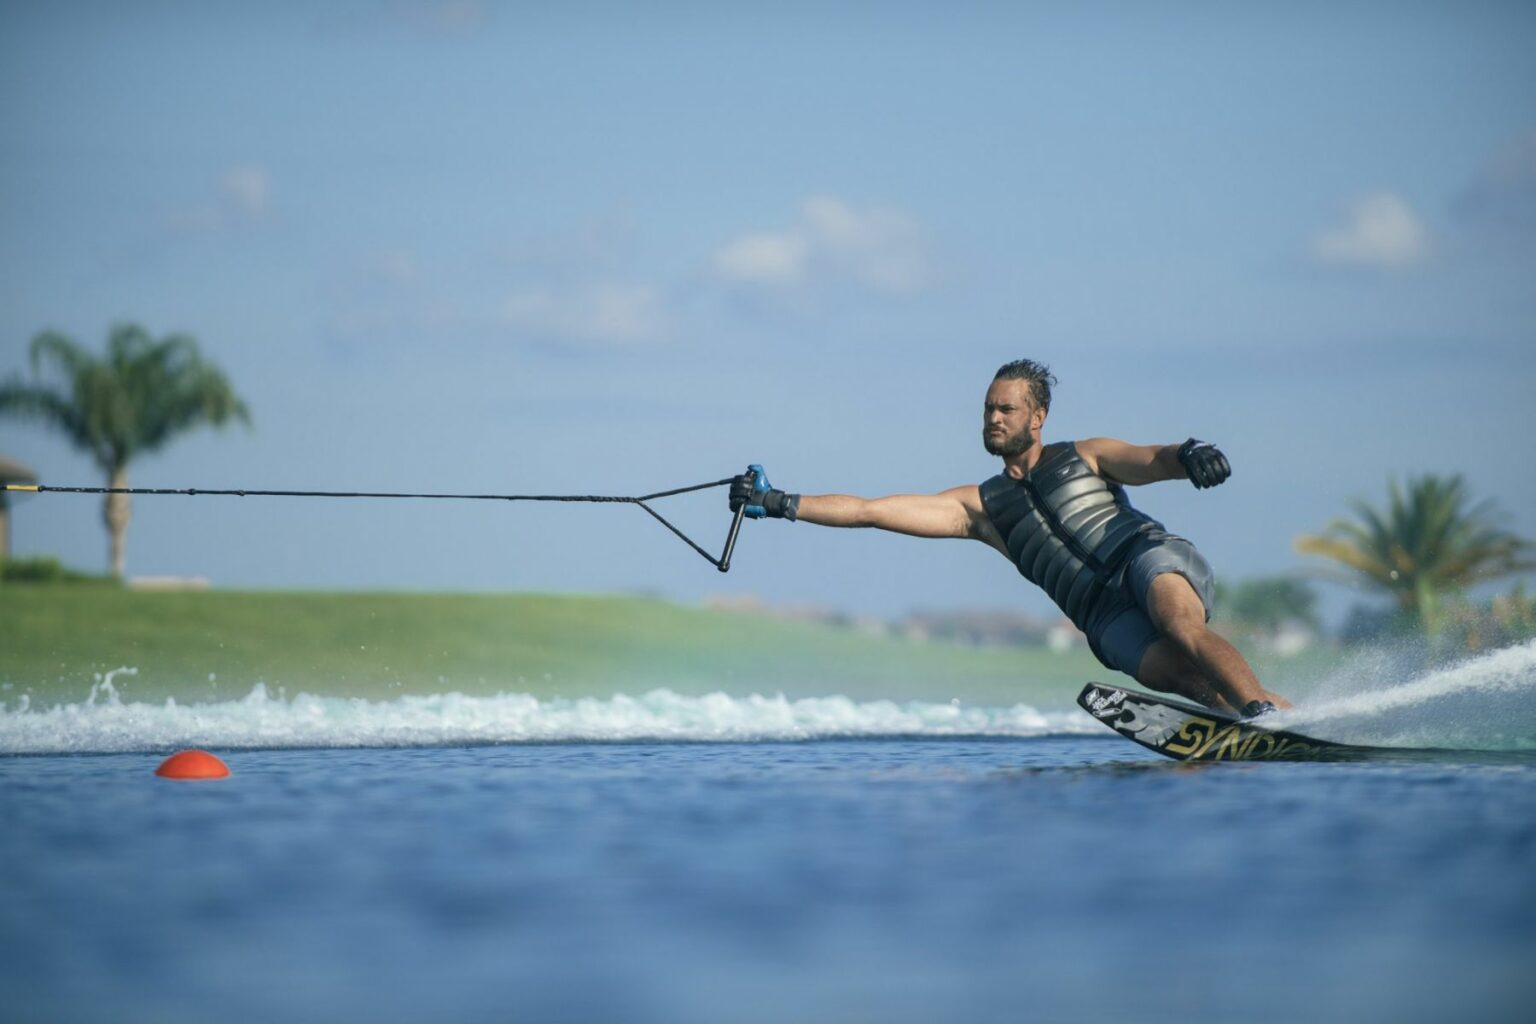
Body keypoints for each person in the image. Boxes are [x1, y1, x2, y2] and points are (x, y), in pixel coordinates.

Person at [729, 358, 1290, 717]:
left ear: (1038, 415)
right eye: (987, 409)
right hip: (1101, 616)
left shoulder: (1085, 456)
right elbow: (871, 511)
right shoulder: (979, 508)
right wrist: (781, 503)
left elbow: (1150, 459)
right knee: (1189, 681)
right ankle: (1283, 721)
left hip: (1144, 558)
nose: (994, 418)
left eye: (1006, 409)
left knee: (1179, 625)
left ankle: (1259, 710)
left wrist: (1188, 456)